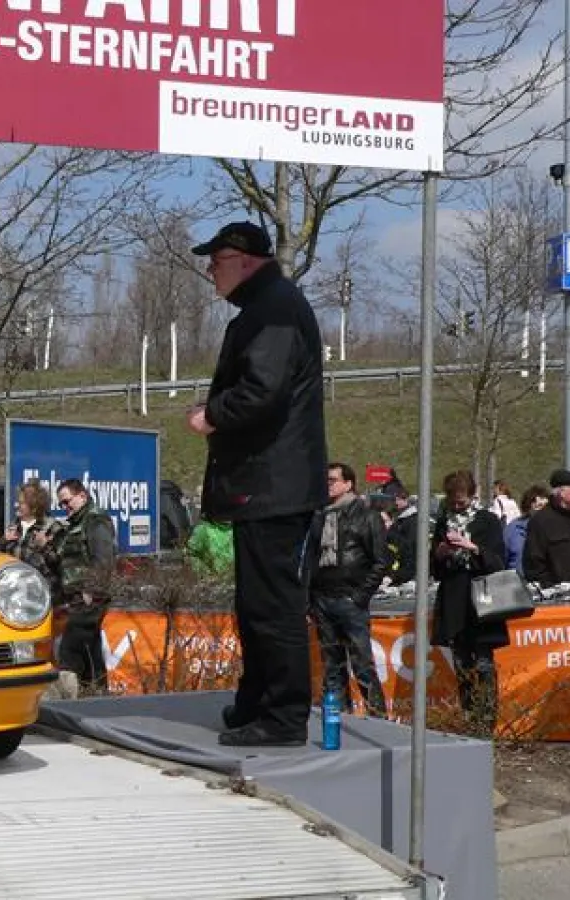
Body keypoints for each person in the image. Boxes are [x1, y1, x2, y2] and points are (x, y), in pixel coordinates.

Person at [186, 220, 327, 747]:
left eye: (215, 261)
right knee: (256, 603)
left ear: (245, 260)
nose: (209, 271)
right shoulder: (268, 306)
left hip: (275, 484)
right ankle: (257, 703)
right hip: (266, 481)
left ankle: (283, 716)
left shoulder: (274, 311)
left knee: (274, 605)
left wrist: (213, 416)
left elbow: (263, 391)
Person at [431, 469, 508, 734]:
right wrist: (440, 553)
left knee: (484, 663)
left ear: (472, 496)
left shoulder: (487, 521)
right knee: (461, 663)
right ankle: (468, 716)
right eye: (452, 501)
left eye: (461, 502)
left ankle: (486, 721)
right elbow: (435, 570)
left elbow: (498, 561)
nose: (456, 506)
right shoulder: (443, 521)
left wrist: (471, 546)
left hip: (482, 599)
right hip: (454, 598)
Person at [309, 463, 388, 717]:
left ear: (348, 483)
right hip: (322, 598)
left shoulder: (367, 516)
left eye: (332, 480)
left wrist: (360, 596)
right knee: (332, 666)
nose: (328, 485)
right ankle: (338, 721)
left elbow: (380, 561)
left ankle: (379, 721)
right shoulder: (319, 516)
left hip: (350, 599)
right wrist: (309, 599)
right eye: (326, 480)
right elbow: (309, 558)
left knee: (362, 665)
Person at [46, 479, 116, 692]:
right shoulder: (74, 525)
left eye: (67, 502)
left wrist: (91, 590)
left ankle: (68, 704)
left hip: (90, 598)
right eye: (61, 505)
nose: (65, 508)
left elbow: (103, 559)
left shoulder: (95, 521)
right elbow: (66, 562)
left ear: (82, 496)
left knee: (70, 651)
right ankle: (98, 693)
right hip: (75, 597)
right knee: (90, 650)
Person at [522, 469, 570, 589]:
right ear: (562, 492)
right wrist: (552, 589)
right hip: (558, 600)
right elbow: (534, 565)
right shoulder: (541, 521)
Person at [0, 480, 62, 588]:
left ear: (34, 506)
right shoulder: (13, 527)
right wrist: (2, 542)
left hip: (42, 592)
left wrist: (44, 547)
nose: (16, 505)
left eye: (21, 503)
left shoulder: (52, 527)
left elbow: (60, 564)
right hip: (15, 593)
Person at [503, 484, 550, 574]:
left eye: (544, 506)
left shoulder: (554, 528)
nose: (539, 507)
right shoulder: (513, 529)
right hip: (517, 583)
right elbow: (503, 559)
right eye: (534, 501)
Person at [381, 479, 419, 585]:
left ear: (406, 499)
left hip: (406, 570)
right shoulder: (398, 517)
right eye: (393, 500)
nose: (395, 503)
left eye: (398, 499)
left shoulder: (411, 520)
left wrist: (390, 529)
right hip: (395, 568)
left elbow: (408, 546)